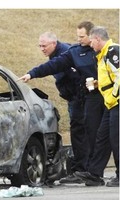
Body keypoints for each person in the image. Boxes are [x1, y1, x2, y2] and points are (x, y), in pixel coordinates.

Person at [18, 21, 105, 183]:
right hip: (80, 99)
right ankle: (86, 170)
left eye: (83, 36)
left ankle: (88, 170)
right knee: (83, 132)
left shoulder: (101, 52)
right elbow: (53, 65)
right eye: (77, 36)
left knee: (96, 133)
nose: (79, 40)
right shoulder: (73, 52)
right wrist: (32, 74)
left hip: (94, 98)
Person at [36, 32, 84, 183]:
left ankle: (81, 170)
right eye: (40, 46)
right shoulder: (57, 52)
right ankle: (82, 168)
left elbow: (77, 77)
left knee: (79, 133)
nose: (42, 49)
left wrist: (77, 98)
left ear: (54, 44)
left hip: (79, 99)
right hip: (74, 98)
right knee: (80, 132)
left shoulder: (64, 53)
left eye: (44, 46)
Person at [75, 26, 119, 187]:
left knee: (117, 139)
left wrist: (115, 96)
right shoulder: (102, 54)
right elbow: (111, 78)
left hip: (117, 102)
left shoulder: (113, 51)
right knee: (102, 137)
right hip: (111, 104)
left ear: (98, 39)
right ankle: (94, 174)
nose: (90, 44)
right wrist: (98, 83)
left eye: (91, 41)